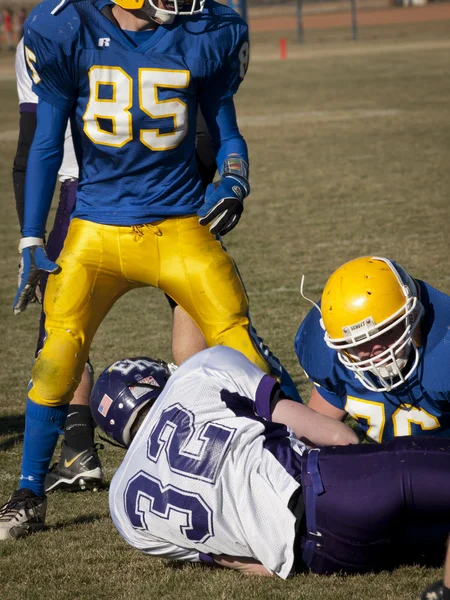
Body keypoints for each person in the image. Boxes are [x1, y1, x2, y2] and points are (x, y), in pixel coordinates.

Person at [0, 0, 300, 539]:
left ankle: (297, 459)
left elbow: (227, 132)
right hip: (95, 226)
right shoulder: (65, 27)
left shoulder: (208, 31)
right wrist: (29, 237)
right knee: (57, 354)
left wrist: (234, 179)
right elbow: (45, 145)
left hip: (178, 223)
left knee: (238, 345)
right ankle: (28, 490)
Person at [12, 36, 211, 493]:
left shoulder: (45, 33)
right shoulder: (162, 26)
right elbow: (204, 131)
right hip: (164, 187)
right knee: (193, 301)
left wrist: (32, 235)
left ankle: (77, 449)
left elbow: (29, 151)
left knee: (63, 322)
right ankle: (203, 428)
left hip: (84, 194)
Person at [89, 346, 449, 577]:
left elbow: (247, 564)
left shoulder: (122, 510)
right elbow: (340, 436)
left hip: (320, 557)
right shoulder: (197, 373)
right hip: (332, 487)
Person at [295, 256, 450, 443]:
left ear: (413, 316)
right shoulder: (326, 352)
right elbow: (315, 433)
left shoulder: (443, 349)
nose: (376, 350)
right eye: (359, 341)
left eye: (387, 331)